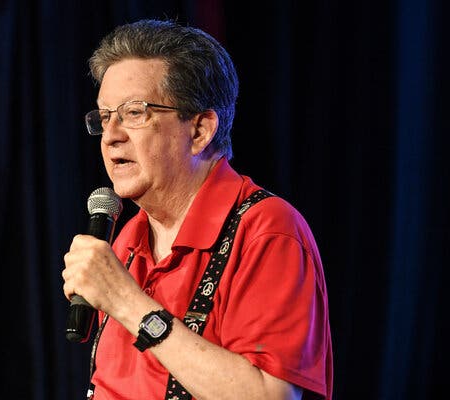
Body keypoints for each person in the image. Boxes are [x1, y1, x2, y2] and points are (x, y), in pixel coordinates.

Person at [62, 18, 333, 400]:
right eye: (105, 117)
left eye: (135, 113)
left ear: (200, 130)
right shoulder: (125, 240)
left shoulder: (267, 231)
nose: (111, 136)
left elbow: (270, 395)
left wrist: (125, 300)